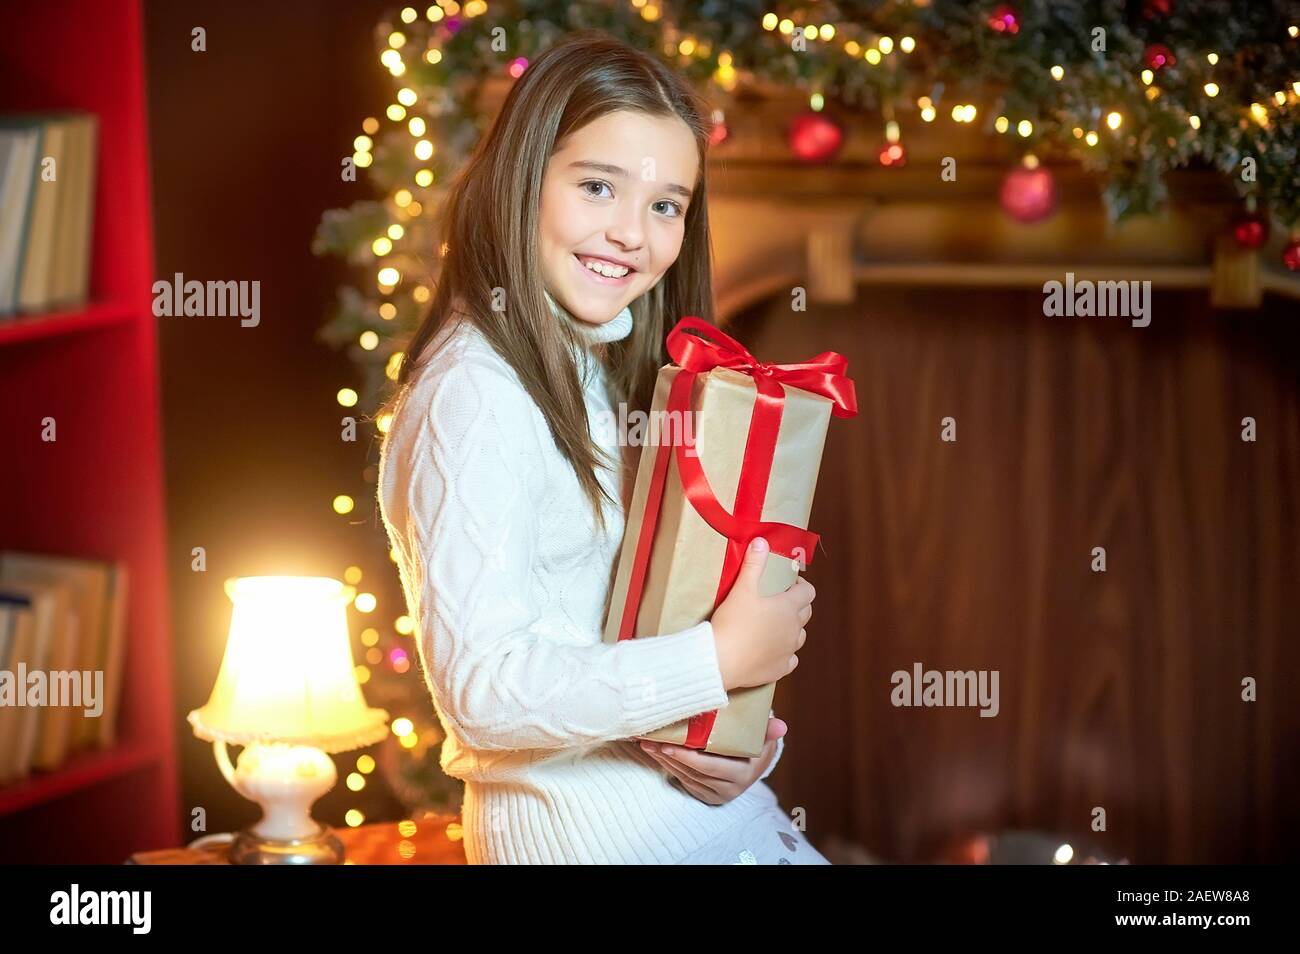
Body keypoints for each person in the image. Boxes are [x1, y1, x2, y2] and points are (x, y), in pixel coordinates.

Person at [376, 30, 827, 865]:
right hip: (594, 840)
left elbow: (606, 633)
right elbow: (483, 691)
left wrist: (732, 746)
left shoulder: (591, 366)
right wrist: (717, 656)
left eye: (666, 205)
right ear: (523, 182)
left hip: (687, 817)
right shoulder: (474, 395)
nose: (632, 233)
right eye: (597, 187)